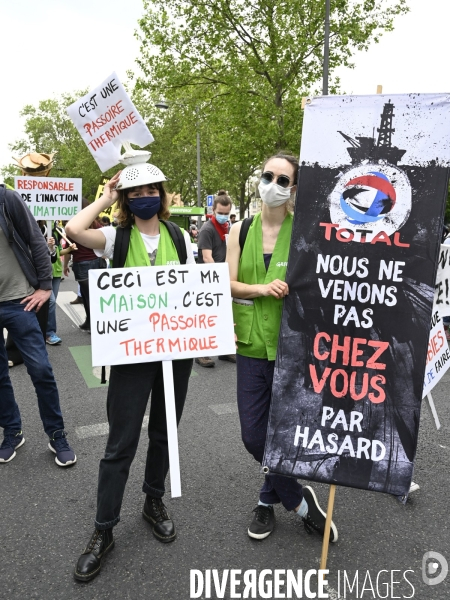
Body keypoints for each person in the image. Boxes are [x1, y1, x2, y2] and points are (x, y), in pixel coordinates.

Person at [65, 158, 196, 582]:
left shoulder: (179, 237)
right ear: (125, 199)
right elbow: (73, 232)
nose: (144, 198)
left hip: (175, 353)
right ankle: (104, 530)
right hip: (131, 356)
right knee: (120, 443)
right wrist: (104, 196)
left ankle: (152, 500)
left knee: (164, 432)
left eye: (150, 191)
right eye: (135, 193)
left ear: (162, 194)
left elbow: (195, 288)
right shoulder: (113, 237)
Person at [226, 153, 338, 542]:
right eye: (267, 175)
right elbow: (229, 283)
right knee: (254, 436)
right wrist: (261, 289)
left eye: (283, 179)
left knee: (285, 434)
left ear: (294, 188)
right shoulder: (238, 230)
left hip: (294, 349)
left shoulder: (308, 231)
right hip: (251, 346)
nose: (272, 184)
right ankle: (300, 501)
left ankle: (266, 500)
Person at [0, 183, 77, 466]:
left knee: (41, 370)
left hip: (19, 301)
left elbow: (35, 240)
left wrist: (45, 286)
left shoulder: (6, 199)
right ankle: (11, 432)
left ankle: (56, 434)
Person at [196, 190, 236, 368]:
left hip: (223, 277)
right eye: (220, 213)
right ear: (213, 211)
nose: (223, 216)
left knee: (225, 315)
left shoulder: (228, 228)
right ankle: (201, 352)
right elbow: (207, 258)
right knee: (206, 317)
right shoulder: (207, 229)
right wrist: (219, 278)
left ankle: (225, 349)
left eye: (226, 214)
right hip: (209, 280)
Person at [64, 199, 106, 332]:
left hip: (82, 263)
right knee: (99, 295)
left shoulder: (73, 228)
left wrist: (65, 265)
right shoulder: (98, 226)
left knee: (87, 295)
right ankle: (100, 322)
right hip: (98, 262)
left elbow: (68, 251)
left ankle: (91, 322)